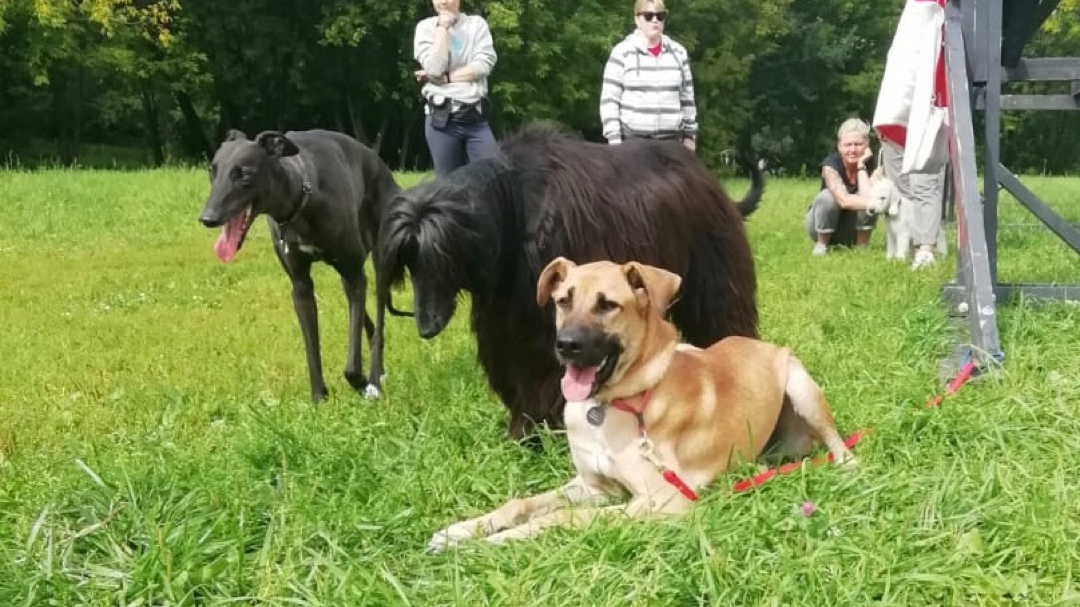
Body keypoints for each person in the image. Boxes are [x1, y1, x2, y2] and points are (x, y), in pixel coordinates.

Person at [873, 0, 949, 269]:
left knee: (924, 181)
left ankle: (925, 249)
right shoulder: (913, 13)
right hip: (896, 113)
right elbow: (900, 60)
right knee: (904, 188)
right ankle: (924, 240)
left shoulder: (942, 11)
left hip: (928, 108)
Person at [413, 0, 498, 176]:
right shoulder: (425, 28)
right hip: (442, 120)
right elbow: (435, 68)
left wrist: (447, 78)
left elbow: (483, 65)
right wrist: (442, 28)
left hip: (475, 118)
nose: (443, 1)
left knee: (493, 179)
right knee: (449, 188)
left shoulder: (476, 25)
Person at [600, 0, 697, 150]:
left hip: (671, 143)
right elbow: (609, 101)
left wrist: (690, 136)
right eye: (648, 16)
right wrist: (615, 141)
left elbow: (687, 99)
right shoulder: (621, 53)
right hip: (633, 144)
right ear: (637, 20)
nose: (655, 21)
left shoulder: (679, 53)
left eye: (660, 16)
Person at [805, 118, 879, 256]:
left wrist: (861, 166)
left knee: (872, 197)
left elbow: (869, 198)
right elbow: (844, 200)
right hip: (821, 225)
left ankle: (861, 248)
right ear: (839, 146)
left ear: (867, 145)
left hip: (852, 229)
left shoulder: (874, 166)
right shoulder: (830, 165)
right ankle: (821, 246)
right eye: (847, 145)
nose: (852, 149)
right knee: (827, 197)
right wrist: (870, 202)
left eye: (858, 144)